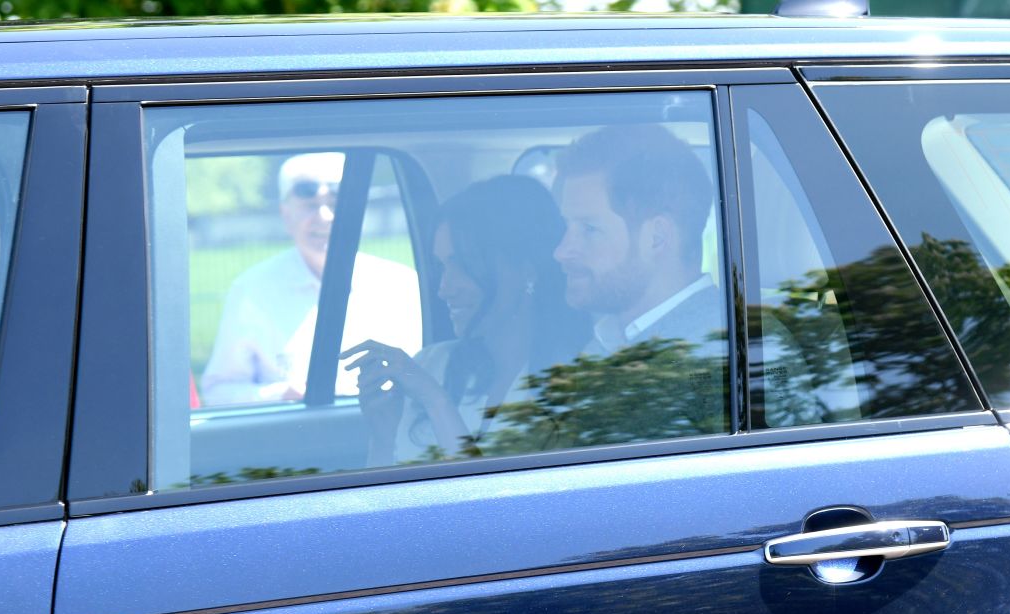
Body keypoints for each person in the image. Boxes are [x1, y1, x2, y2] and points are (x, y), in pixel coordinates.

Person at [340, 175, 588, 466]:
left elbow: (492, 506)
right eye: (442, 266)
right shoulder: (431, 364)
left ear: (526, 269)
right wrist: (383, 437)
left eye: (462, 264)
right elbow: (382, 502)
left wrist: (438, 403)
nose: (445, 288)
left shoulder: (577, 383)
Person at [200, 152, 421, 406]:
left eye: (336, 203)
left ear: (359, 213)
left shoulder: (402, 285)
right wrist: (280, 393)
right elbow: (218, 392)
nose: (325, 216)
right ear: (286, 214)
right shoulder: (251, 291)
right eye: (310, 205)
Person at [551, 124, 725, 357]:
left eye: (589, 229)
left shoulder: (717, 354)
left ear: (657, 238)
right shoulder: (610, 341)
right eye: (567, 227)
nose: (561, 252)